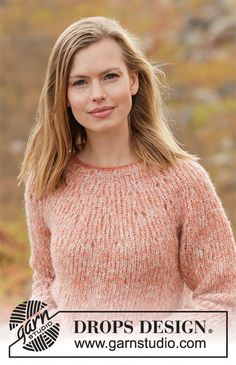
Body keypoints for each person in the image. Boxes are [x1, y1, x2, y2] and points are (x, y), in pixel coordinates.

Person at [18, 16, 236, 336]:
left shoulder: (184, 181)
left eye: (110, 76)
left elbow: (223, 296)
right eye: (80, 82)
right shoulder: (46, 182)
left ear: (132, 81)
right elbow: (45, 284)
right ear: (63, 95)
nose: (97, 94)